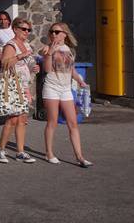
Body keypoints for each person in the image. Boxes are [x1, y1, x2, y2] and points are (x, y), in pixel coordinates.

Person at [39, 23, 93, 168]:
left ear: (65, 34)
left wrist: (80, 80)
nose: (54, 34)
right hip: (51, 88)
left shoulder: (69, 50)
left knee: (73, 123)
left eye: (57, 32)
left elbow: (71, 70)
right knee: (53, 121)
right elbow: (47, 69)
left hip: (66, 89)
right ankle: (49, 153)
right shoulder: (46, 48)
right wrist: (50, 51)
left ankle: (79, 156)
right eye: (51, 32)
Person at [0, 17, 40, 164]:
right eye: (24, 29)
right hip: (13, 86)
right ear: (15, 29)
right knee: (12, 119)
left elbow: (29, 64)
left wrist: (34, 68)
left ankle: (20, 151)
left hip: (24, 86)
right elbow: (5, 63)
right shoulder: (11, 45)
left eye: (28, 30)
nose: (27, 32)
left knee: (22, 120)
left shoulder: (26, 45)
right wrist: (21, 55)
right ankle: (1, 150)